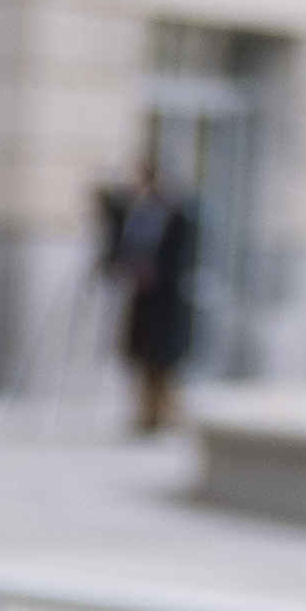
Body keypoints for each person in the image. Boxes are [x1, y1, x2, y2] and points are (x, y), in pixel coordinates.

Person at [105, 160, 204, 436]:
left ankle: (167, 414)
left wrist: (154, 273)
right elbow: (118, 245)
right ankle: (146, 413)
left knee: (164, 362)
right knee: (145, 359)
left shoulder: (176, 215)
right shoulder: (137, 213)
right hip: (144, 301)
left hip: (165, 302)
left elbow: (180, 260)